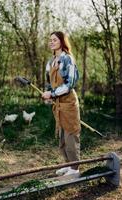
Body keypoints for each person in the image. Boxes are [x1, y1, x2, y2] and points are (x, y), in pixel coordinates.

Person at [42, 31, 81, 176]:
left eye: (54, 40)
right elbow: (49, 83)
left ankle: (75, 168)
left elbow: (68, 85)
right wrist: (48, 94)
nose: (51, 42)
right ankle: (68, 163)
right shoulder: (50, 62)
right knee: (62, 135)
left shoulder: (68, 59)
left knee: (71, 134)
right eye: (50, 40)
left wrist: (52, 93)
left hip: (69, 102)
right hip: (58, 103)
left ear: (62, 42)